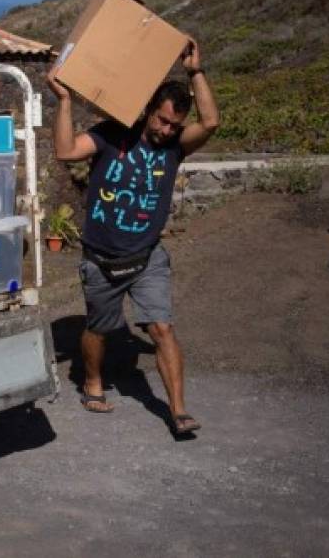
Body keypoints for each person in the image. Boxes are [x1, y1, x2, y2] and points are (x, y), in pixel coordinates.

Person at [46, 39, 219, 435]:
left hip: (146, 258)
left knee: (162, 328)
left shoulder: (175, 148)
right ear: (147, 111)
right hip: (101, 259)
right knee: (99, 329)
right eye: (161, 120)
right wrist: (65, 100)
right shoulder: (112, 135)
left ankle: (177, 411)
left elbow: (210, 123)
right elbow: (66, 150)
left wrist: (195, 71)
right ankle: (91, 380)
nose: (165, 129)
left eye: (174, 124)